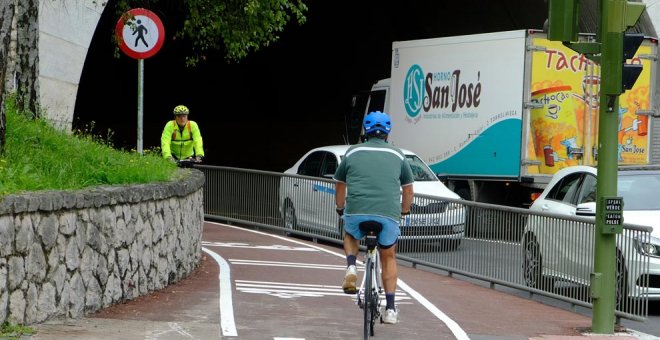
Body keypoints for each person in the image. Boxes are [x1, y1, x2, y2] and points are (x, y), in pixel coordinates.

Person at [333, 111, 414, 325]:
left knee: (350, 234)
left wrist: (340, 208)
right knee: (388, 257)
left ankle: (351, 265)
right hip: (388, 214)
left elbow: (340, 185)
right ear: (387, 132)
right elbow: (408, 191)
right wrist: (404, 212)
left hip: (358, 211)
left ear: (365, 131)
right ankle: (390, 308)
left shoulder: (352, 152)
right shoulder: (398, 155)